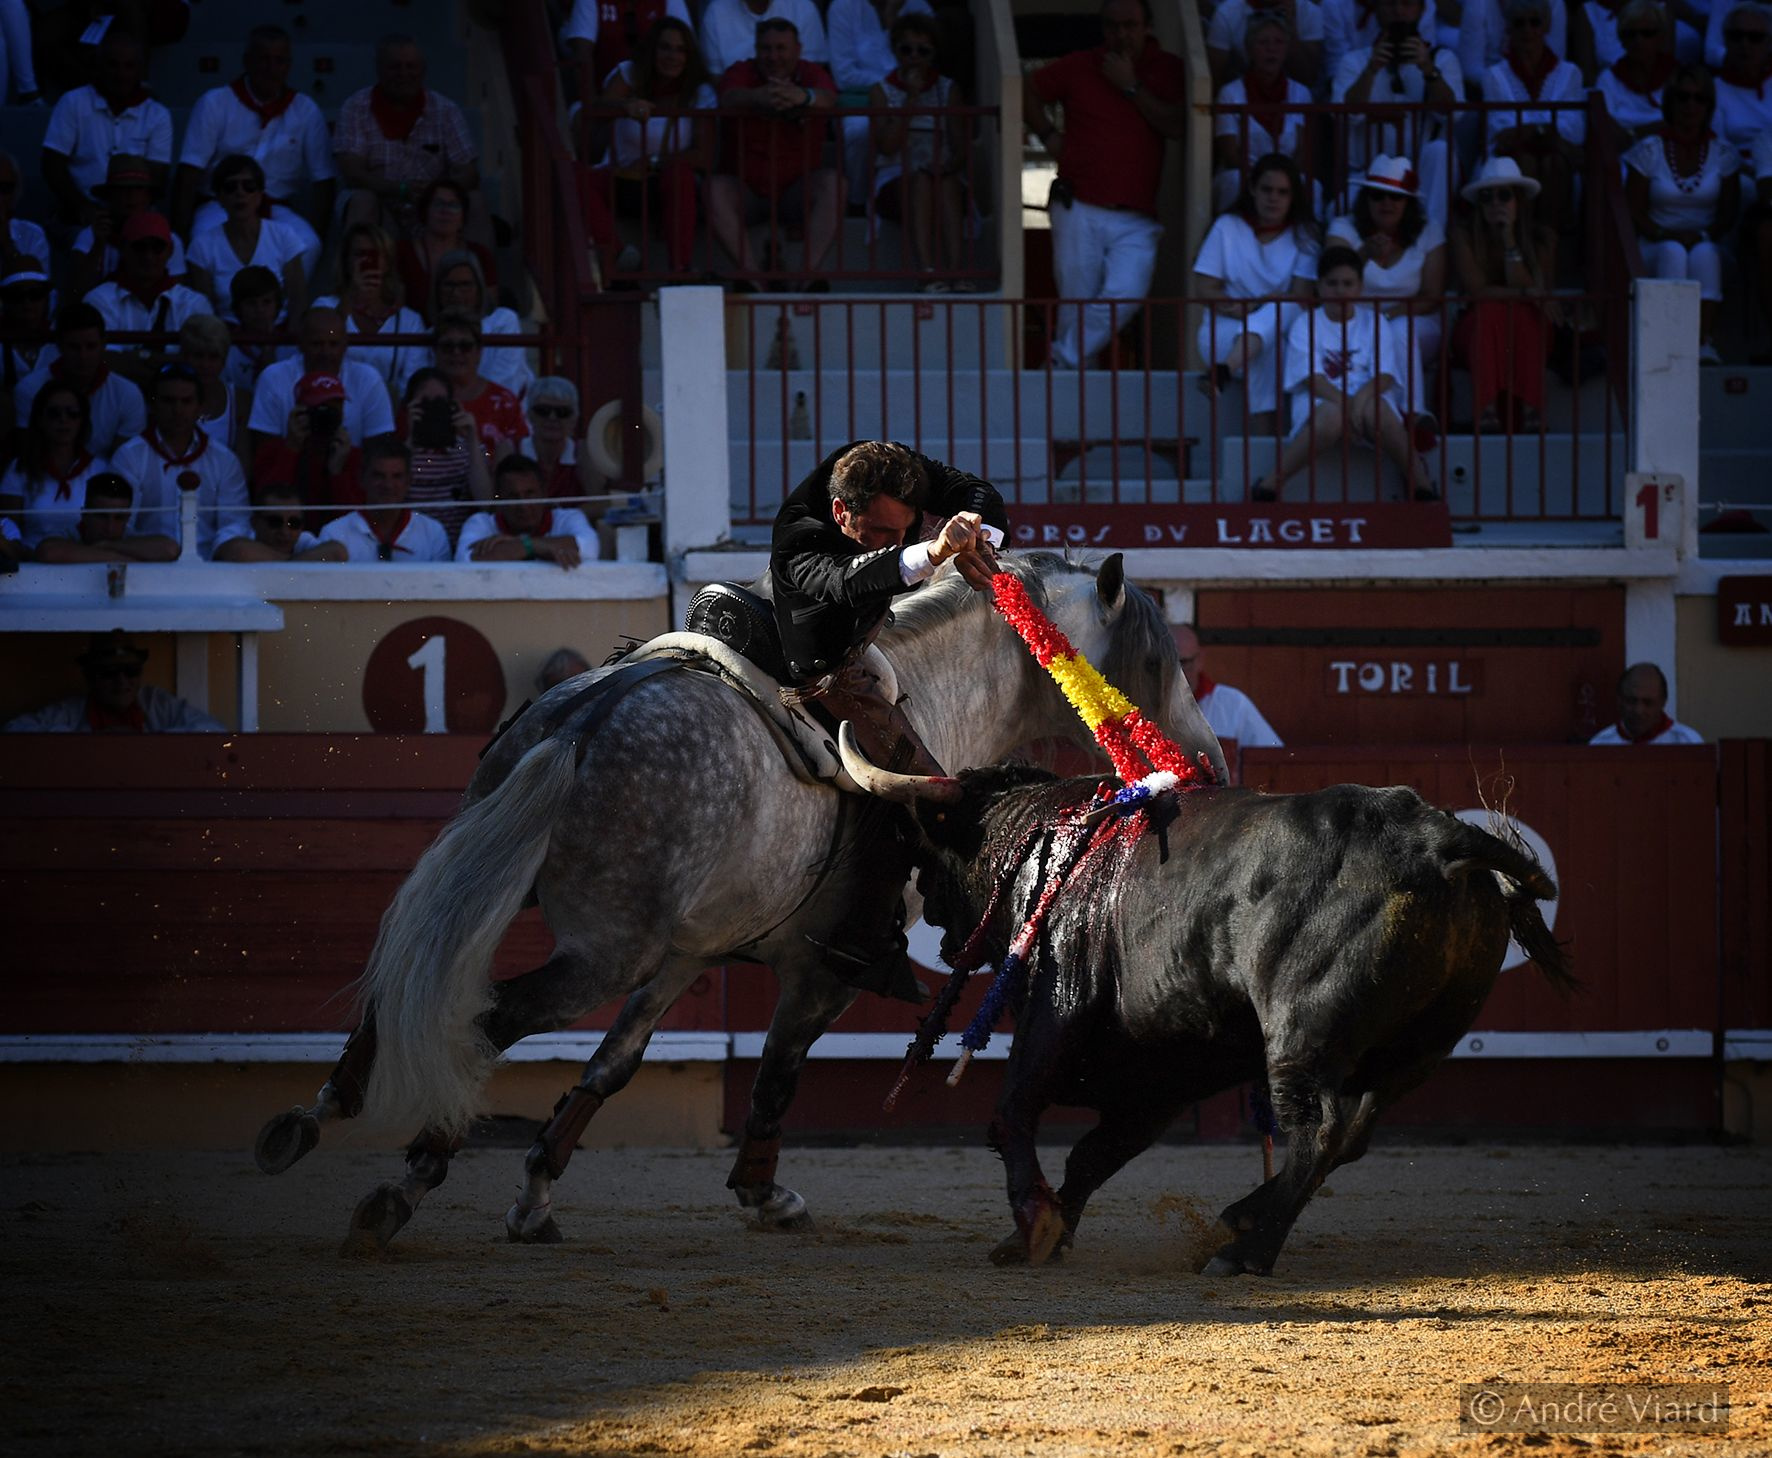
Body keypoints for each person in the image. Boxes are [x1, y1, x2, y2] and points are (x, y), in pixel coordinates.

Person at [770, 438, 1007, 999]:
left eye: (902, 530)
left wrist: (980, 537)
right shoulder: (800, 537)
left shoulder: (888, 468)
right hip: (825, 673)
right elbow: (851, 580)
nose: (892, 540)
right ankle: (867, 944)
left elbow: (976, 492)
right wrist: (932, 552)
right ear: (840, 512)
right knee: (933, 795)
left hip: (862, 644)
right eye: (877, 532)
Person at [1025, 0, 1186, 370]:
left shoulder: (1168, 68)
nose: (1121, 34)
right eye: (1113, 26)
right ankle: (1073, 395)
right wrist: (1049, 136)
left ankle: (1060, 361)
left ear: (1148, 27)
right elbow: (1025, 89)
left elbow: (1176, 125)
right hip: (1078, 205)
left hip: (1137, 215)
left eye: (1130, 25)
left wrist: (1130, 86)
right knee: (1076, 309)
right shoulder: (1081, 64)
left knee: (1125, 294)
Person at [1256, 245, 1438, 501]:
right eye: (1332, 283)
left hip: (1368, 397)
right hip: (1320, 399)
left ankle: (1421, 485)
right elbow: (1311, 379)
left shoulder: (1375, 321)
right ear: (1319, 286)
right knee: (1332, 417)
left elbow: (1384, 375)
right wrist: (1350, 407)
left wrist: (1358, 403)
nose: (1340, 291)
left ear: (1360, 286)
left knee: (1378, 411)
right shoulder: (1305, 322)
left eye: (1348, 283)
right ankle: (1271, 484)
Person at [172, 24, 335, 279]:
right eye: (263, 59)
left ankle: (279, 304)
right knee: (204, 240)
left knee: (309, 244)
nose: (271, 68)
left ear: (289, 65)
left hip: (276, 208)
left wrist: (320, 233)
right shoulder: (215, 102)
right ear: (247, 61)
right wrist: (179, 233)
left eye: (279, 61)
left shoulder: (305, 109)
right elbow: (188, 172)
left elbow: (324, 179)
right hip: (219, 204)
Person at [709, 18, 843, 288]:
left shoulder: (810, 72)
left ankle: (807, 278)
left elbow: (829, 97)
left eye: (781, 48)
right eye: (766, 48)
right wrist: (759, 97)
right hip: (747, 190)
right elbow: (728, 96)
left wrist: (802, 97)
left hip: (795, 191)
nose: (773, 56)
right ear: (756, 49)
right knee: (714, 188)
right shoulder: (742, 71)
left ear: (798, 50)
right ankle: (752, 280)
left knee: (834, 183)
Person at [1192, 153, 1320, 434]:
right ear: (1252, 189)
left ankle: (1223, 373)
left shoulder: (1305, 235)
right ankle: (1265, 441)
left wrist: (1257, 307)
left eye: (1282, 192)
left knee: (1278, 316)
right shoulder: (1227, 226)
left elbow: (1300, 296)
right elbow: (1205, 287)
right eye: (1267, 189)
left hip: (1280, 331)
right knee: (1268, 340)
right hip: (1224, 331)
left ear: (1293, 197)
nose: (1273, 198)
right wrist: (1237, 309)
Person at [1625, 64, 1741, 362]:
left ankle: (1703, 342)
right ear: (1670, 102)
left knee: (1704, 254)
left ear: (1709, 106)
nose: (1691, 105)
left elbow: (1728, 214)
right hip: (1655, 242)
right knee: (1673, 252)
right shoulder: (1648, 151)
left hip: (1707, 241)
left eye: (1699, 98)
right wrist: (1665, 233)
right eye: (1683, 97)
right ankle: (1668, 344)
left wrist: (1702, 235)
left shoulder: (1724, 153)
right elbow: (1634, 210)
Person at [588, 16, 718, 278]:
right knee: (573, 176)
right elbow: (597, 108)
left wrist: (655, 161)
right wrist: (625, 106)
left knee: (680, 173)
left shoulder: (700, 92)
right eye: (665, 47)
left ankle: (680, 270)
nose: (672, 56)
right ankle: (619, 254)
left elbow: (704, 156)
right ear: (651, 50)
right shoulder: (630, 73)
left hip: (664, 183)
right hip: (620, 176)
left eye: (681, 50)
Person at [1326, 154, 1448, 424]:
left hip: (1415, 322)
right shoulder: (1343, 227)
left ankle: (1413, 414)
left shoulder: (1429, 230)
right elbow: (1332, 280)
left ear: (1409, 202)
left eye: (1396, 197)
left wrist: (1386, 317)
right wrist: (1363, 255)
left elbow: (1431, 295)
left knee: (1399, 330)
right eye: (1378, 195)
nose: (1386, 203)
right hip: (1356, 326)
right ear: (1365, 199)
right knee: (1389, 332)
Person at [1332, 0, 1463, 224]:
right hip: (1368, 175)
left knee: (1441, 151)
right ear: (1378, 9)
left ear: (1421, 9)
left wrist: (1428, 69)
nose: (1398, 11)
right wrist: (1371, 70)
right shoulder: (1354, 61)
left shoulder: (1442, 59)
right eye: (1390, 3)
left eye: (1408, 3)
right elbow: (1345, 115)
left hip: (1419, 175)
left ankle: (1433, 234)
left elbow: (1452, 114)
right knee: (1341, 215)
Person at [334, 33, 481, 232]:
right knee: (362, 200)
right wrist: (401, 189)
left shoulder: (446, 110)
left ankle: (474, 254)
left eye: (411, 66)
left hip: (431, 208)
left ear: (423, 70)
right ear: (379, 69)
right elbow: (352, 174)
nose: (403, 73)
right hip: (380, 207)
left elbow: (469, 172)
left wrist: (435, 193)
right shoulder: (355, 108)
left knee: (475, 200)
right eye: (395, 67)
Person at [1450, 156, 1555, 431]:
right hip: (1479, 327)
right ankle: (1486, 410)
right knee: (1490, 310)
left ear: (1519, 201)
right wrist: (1523, 291)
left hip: (1527, 326)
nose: (1495, 203)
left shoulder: (1542, 238)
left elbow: (1539, 295)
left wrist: (1509, 240)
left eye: (1504, 196)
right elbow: (1477, 291)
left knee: (1523, 313)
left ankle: (1533, 409)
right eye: (1487, 197)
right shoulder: (1464, 236)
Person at [868, 13, 971, 286]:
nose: (914, 57)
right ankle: (926, 272)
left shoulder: (948, 90)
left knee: (945, 182)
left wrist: (947, 166)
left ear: (933, 53)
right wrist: (910, 100)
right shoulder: (881, 92)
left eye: (923, 51)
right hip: (896, 179)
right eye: (907, 50)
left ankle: (956, 272)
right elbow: (886, 146)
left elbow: (960, 148)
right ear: (895, 50)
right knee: (922, 181)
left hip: (941, 176)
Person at [110, 361, 250, 559]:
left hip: (210, 568)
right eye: (169, 401)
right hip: (146, 566)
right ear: (153, 405)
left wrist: (210, 562)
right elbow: (122, 526)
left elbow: (235, 524)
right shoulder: (129, 456)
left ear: (200, 407)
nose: (178, 410)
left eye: (186, 401)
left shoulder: (224, 460)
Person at [40, 29, 173, 223]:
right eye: (113, 65)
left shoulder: (158, 114)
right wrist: (83, 208)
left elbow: (157, 177)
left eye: (129, 66)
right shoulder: (72, 102)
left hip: (136, 216)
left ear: (140, 70)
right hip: (78, 213)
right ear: (99, 66)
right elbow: (52, 166)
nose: (121, 74)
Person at [1481, 0, 1586, 232]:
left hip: (1556, 158)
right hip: (1511, 158)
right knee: (1525, 162)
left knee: (1552, 164)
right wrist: (1545, 130)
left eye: (1534, 22)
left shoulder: (1571, 73)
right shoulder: (1494, 75)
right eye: (1519, 23)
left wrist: (1527, 130)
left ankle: (1551, 241)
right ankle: (1522, 239)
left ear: (1546, 26)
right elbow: (1501, 130)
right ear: (1509, 29)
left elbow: (1574, 129)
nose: (1527, 30)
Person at [82, 213, 215, 384]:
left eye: (157, 247)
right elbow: (98, 360)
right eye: (139, 247)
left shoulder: (194, 303)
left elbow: (205, 363)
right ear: (123, 249)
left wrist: (139, 357)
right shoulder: (99, 299)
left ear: (170, 251)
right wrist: (169, 361)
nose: (148, 256)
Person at [248, 305, 396, 457]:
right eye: (317, 344)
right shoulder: (273, 378)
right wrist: (291, 445)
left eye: (333, 344)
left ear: (345, 345)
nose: (326, 353)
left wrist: (348, 457)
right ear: (301, 344)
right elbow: (263, 455)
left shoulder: (368, 380)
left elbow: (380, 454)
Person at [4, 631, 224, 733]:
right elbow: (15, 729)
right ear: (90, 677)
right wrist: (91, 742)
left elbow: (213, 729)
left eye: (131, 671)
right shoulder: (71, 712)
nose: (121, 681)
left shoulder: (155, 703)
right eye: (109, 673)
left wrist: (149, 742)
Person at [829, 0, 935, 201]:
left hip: (916, 95)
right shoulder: (843, 6)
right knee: (859, 130)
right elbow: (844, 76)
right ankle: (858, 200)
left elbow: (924, 63)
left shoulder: (919, 7)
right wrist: (891, 84)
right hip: (863, 100)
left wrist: (891, 19)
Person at [13, 303, 148, 457]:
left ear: (103, 344)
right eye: (74, 347)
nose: (83, 356)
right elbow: (30, 457)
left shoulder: (128, 394)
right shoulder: (29, 389)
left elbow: (125, 462)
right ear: (59, 345)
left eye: (90, 346)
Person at [1214, 11, 1315, 216]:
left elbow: (1302, 152)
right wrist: (1263, 179)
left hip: (1286, 177)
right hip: (1245, 175)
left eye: (1278, 42)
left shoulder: (1301, 93)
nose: (1271, 49)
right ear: (1249, 49)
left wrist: (1282, 178)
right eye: (1263, 42)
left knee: (1313, 186)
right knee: (1234, 180)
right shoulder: (1230, 93)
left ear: (1287, 49)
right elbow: (1230, 154)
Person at [186, 155, 308, 320]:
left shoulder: (284, 236)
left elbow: (298, 300)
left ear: (260, 194)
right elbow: (205, 311)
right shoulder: (202, 246)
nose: (240, 193)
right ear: (219, 197)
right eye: (230, 187)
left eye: (249, 186)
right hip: (224, 334)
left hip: (278, 332)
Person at [314, 223, 427, 395]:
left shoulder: (410, 322)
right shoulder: (325, 307)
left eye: (374, 255)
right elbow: (324, 339)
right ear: (346, 261)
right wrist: (349, 300)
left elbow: (412, 385)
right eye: (359, 254)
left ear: (387, 263)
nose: (366, 261)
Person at [0, 382, 108, 551]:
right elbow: (8, 531)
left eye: (72, 413)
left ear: (82, 421)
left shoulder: (101, 469)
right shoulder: (19, 469)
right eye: (54, 413)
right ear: (40, 419)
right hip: (31, 560)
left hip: (86, 558)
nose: (63, 419)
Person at [67, 153, 190, 299]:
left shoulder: (168, 239)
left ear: (149, 196)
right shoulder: (90, 235)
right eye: (122, 189)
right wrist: (98, 245)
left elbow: (177, 298)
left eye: (138, 188)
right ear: (110, 196)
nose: (130, 195)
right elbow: (76, 293)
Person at [398, 365, 493, 546]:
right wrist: (411, 439)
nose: (433, 408)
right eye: (425, 402)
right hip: (414, 547)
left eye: (440, 402)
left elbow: (486, 502)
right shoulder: (398, 454)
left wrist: (472, 438)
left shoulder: (469, 450)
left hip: (459, 545)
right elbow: (392, 497)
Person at [249, 371, 362, 522]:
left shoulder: (354, 458)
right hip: (285, 533)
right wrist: (291, 449)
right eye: (321, 410)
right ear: (300, 412)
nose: (327, 417)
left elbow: (354, 524)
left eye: (334, 410)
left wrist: (337, 474)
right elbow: (267, 514)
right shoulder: (272, 451)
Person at [317, 438, 452, 562]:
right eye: (379, 476)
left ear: (408, 481)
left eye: (397, 476)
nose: (388, 485)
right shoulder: (334, 534)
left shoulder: (433, 533)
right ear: (362, 478)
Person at [456, 454, 599, 566]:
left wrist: (524, 544)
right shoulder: (480, 523)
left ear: (544, 493)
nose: (523, 505)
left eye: (530, 494)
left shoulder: (569, 518)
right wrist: (537, 547)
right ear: (499, 498)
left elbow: (590, 547)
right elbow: (464, 560)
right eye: (513, 496)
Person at [428, 250, 531, 399]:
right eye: (449, 285)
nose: (456, 293)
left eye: (465, 285)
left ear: (479, 288)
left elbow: (503, 386)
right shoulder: (429, 333)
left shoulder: (504, 322)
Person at [396, 178, 499, 321]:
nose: (445, 211)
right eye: (438, 204)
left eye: (454, 205)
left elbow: (490, 311)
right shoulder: (401, 252)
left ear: (463, 215)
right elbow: (395, 311)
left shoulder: (481, 255)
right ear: (425, 210)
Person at [431, 311, 526, 463]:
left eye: (465, 346)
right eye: (448, 346)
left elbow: (518, 461)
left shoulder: (504, 401)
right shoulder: (421, 398)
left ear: (479, 351)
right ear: (435, 351)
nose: (456, 352)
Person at [30, 470, 176, 564]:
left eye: (119, 518)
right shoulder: (68, 535)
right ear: (85, 515)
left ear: (127, 518)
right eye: (101, 516)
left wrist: (107, 545)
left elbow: (170, 549)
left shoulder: (129, 536)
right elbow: (48, 552)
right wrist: (122, 557)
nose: (109, 527)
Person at [562, 0, 695, 103]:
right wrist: (594, 108)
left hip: (657, 102)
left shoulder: (669, 1)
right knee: (580, 115)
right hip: (602, 98)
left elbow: (686, 47)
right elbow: (582, 54)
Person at [1174, 623, 1283, 748]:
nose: (1174, 672)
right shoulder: (1151, 708)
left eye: (1183, 662)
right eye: (1163, 663)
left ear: (1200, 659)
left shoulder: (1233, 705)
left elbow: (1271, 754)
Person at [1593, 0, 1677, 145]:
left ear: (1661, 37)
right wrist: (1659, 128)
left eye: (1647, 33)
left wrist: (1632, 134)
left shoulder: (1679, 77)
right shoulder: (1608, 80)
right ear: (1621, 40)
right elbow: (1607, 133)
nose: (1638, 40)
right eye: (1630, 34)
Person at [213, 481, 349, 562]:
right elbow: (238, 551)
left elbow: (338, 552)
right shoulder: (235, 531)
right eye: (275, 522)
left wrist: (286, 562)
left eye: (294, 523)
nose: (285, 531)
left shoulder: (303, 540)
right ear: (254, 522)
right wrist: (296, 561)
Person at [178, 315, 249, 459]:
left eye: (213, 357)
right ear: (185, 357)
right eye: (198, 356)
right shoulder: (167, 398)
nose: (205, 365)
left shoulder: (241, 401)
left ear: (224, 360)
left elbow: (244, 463)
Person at [700, 0, 831, 78]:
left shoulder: (803, 8)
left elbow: (813, 73)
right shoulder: (716, 11)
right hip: (738, 109)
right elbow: (716, 78)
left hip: (796, 108)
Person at [518, 375, 598, 502]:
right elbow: (498, 504)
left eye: (562, 412)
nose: (552, 418)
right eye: (543, 411)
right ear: (529, 415)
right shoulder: (513, 450)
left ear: (574, 418)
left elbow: (601, 502)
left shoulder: (582, 452)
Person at [1208, 0, 1325, 85]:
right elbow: (1215, 77)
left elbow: (1308, 79)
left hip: (1294, 99)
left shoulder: (1310, 12)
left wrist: (1291, 26)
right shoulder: (1227, 12)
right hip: (1241, 97)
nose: (1271, 48)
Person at [1588, 662, 1705, 742]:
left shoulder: (1686, 742)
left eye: (1648, 703)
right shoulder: (1601, 743)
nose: (1639, 710)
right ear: (1619, 700)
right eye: (1631, 701)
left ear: (1663, 702)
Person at [223, 266, 296, 388]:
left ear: (277, 305)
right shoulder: (226, 350)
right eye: (251, 303)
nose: (259, 310)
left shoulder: (291, 349)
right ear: (238, 307)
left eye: (266, 302)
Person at [1713, 4, 1772, 156]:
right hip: (1738, 167)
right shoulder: (1713, 89)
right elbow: (1717, 150)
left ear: (1769, 44)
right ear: (1725, 41)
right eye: (1736, 36)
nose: (1745, 44)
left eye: (1755, 38)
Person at [0, 152, 51, 274]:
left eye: (5, 188)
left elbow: (33, 281)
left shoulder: (32, 236)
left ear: (16, 193)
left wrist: (6, 243)